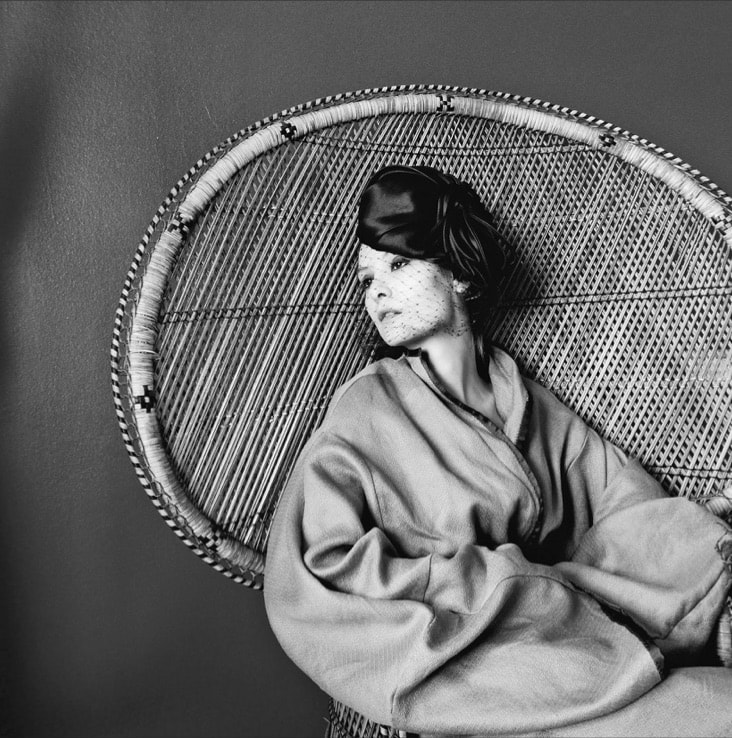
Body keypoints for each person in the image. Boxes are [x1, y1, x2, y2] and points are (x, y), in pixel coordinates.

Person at [263, 165, 732, 736]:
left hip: (564, 639)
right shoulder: (367, 408)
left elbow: (619, 492)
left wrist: (681, 554)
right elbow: (319, 567)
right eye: (367, 279)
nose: (377, 292)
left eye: (399, 265)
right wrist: (498, 582)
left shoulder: (519, 395)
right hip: (466, 663)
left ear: (459, 273)